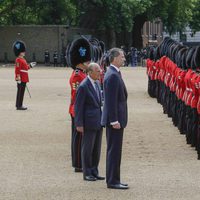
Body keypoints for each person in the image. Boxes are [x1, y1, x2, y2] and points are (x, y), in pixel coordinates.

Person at [101, 48, 129, 189]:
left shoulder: (114, 73)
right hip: (115, 121)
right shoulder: (112, 75)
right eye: (122, 57)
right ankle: (112, 181)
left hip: (117, 119)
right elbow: (111, 101)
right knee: (114, 151)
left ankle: (115, 179)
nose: (124, 59)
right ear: (115, 58)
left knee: (115, 151)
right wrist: (114, 120)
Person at [74, 62, 104, 181]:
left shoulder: (96, 84)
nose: (100, 73)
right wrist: (79, 124)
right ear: (90, 72)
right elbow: (78, 106)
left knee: (96, 149)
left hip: (98, 120)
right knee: (87, 149)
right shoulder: (83, 86)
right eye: (98, 71)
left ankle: (94, 171)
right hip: (88, 122)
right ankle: (87, 173)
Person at [67, 38, 92, 172]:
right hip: (77, 110)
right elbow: (77, 97)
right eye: (87, 60)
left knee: (80, 138)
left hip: (80, 110)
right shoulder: (77, 75)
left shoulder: (82, 74)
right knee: (78, 139)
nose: (89, 62)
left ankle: (80, 161)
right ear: (81, 61)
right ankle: (78, 163)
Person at [13, 40, 36, 110]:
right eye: (23, 51)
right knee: (20, 92)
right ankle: (19, 105)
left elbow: (25, 68)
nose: (24, 52)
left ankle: (18, 104)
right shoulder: (18, 60)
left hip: (24, 78)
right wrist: (18, 78)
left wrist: (31, 66)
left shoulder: (22, 59)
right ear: (20, 52)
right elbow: (17, 70)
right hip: (21, 78)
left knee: (21, 92)